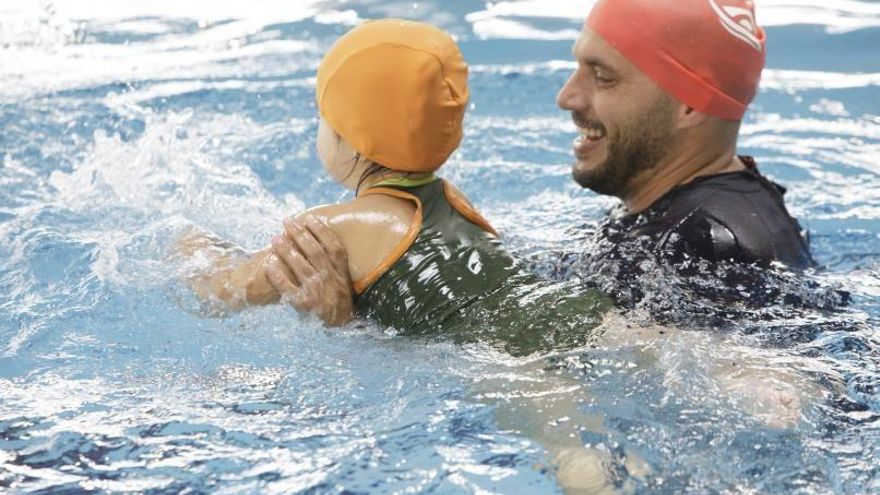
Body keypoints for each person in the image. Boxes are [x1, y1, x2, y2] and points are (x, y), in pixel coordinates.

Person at [268, 0, 816, 321]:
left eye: (602, 76)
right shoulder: (731, 211)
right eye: (578, 66)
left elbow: (582, 379)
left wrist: (359, 329)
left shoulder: (700, 247)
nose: (567, 97)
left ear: (689, 105)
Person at [180, 19, 610, 356]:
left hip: (510, 358)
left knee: (575, 459)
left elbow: (221, 291)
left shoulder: (331, 229)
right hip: (578, 314)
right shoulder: (454, 199)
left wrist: (184, 242)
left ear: (349, 136)